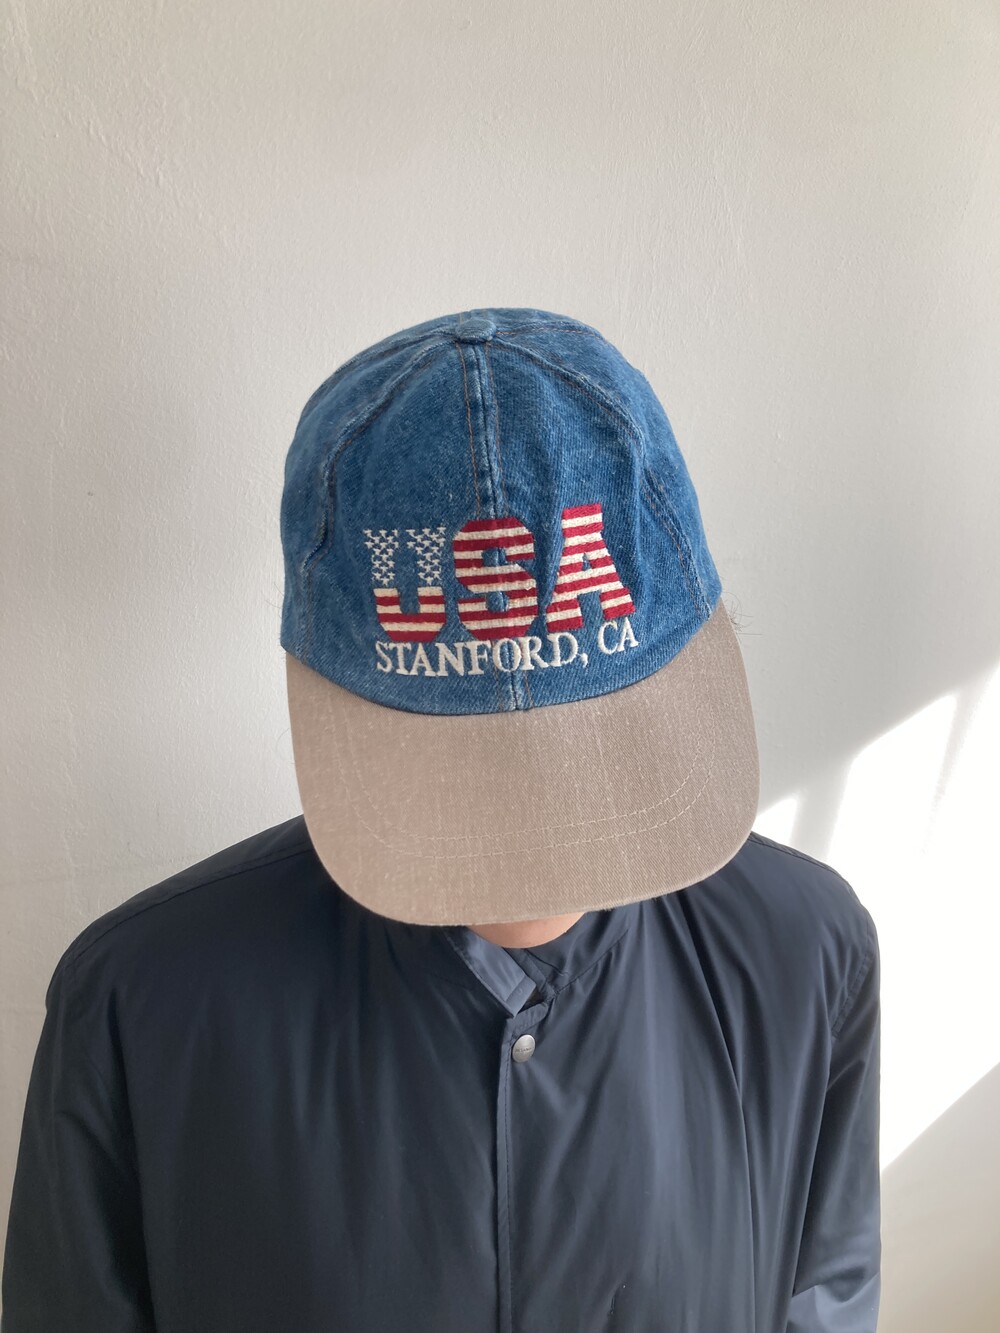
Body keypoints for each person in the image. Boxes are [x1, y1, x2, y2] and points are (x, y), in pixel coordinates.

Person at [1, 308, 881, 1332]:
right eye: (461, 762)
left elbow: (825, 1295)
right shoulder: (137, 1009)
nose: (533, 846)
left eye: (582, 752)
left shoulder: (807, 955)